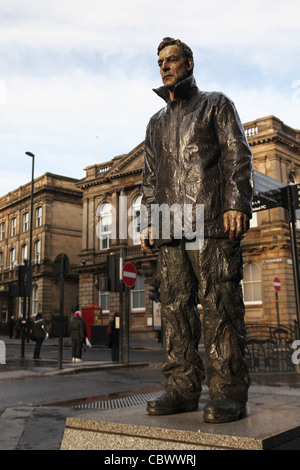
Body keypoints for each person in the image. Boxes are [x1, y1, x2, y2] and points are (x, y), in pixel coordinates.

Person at [141, 37, 253, 423]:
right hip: (170, 225)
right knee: (174, 310)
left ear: (189, 64)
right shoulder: (155, 122)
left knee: (220, 308)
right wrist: (148, 221)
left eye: (172, 60)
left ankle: (228, 394)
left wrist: (237, 203)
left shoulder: (216, 104)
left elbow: (238, 155)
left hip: (209, 223)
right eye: (160, 62)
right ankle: (181, 389)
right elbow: (151, 179)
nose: (165, 67)